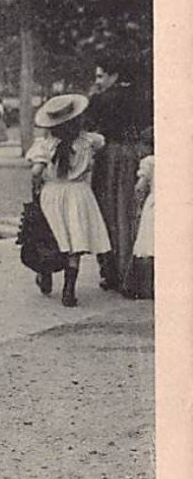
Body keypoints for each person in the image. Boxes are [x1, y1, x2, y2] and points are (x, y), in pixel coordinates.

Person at [26, 93, 111, 308]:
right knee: (75, 240)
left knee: (52, 235)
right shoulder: (89, 141)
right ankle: (69, 290)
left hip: (53, 194)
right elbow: (102, 143)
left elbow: (36, 171)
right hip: (79, 194)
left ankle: (45, 273)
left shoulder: (44, 145)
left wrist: (38, 177)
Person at [86, 56, 150, 295]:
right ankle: (132, 274)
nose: (99, 81)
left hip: (109, 158)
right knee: (130, 214)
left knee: (108, 213)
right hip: (135, 156)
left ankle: (111, 272)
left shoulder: (100, 99)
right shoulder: (141, 97)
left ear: (114, 76)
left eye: (101, 76)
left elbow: (90, 129)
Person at [127, 131, 155, 299]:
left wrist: (137, 203)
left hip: (155, 204)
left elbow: (139, 187)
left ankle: (147, 287)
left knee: (149, 245)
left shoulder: (150, 162)